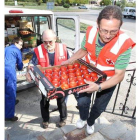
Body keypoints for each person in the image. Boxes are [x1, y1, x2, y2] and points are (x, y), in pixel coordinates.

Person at [62, 5, 135, 135]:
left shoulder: (124, 43)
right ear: (97, 24)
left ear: (120, 26)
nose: (107, 35)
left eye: (113, 31)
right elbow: (84, 49)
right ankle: (83, 117)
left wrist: (99, 87)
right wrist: (70, 60)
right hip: (88, 73)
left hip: (108, 80)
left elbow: (119, 75)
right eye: (104, 30)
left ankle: (90, 122)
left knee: (99, 107)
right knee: (82, 101)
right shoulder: (90, 32)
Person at [26, 29, 69, 129]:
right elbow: (32, 63)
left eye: (50, 41)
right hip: (45, 81)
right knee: (44, 101)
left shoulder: (63, 48)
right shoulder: (38, 50)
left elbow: (70, 62)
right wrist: (28, 72)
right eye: (45, 41)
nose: (47, 44)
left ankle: (63, 118)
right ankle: (45, 120)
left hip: (60, 80)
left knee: (61, 100)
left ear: (55, 39)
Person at [5, 37, 23, 121]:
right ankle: (9, 116)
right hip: (9, 73)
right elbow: (20, 64)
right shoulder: (16, 50)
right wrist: (20, 68)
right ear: (15, 43)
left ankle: (9, 105)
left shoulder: (5, 48)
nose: (21, 47)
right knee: (10, 93)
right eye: (20, 45)